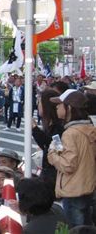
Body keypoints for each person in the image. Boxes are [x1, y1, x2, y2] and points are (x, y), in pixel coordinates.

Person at [48, 89, 96, 228]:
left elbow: (68, 165)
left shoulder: (71, 133)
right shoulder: (89, 128)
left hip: (73, 189)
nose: (57, 107)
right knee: (86, 227)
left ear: (69, 108)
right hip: (88, 186)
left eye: (60, 104)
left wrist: (52, 154)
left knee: (75, 227)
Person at [32, 88, 65, 188]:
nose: (38, 106)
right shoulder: (50, 124)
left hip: (54, 173)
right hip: (48, 170)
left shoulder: (58, 126)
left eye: (40, 102)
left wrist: (34, 129)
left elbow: (56, 146)